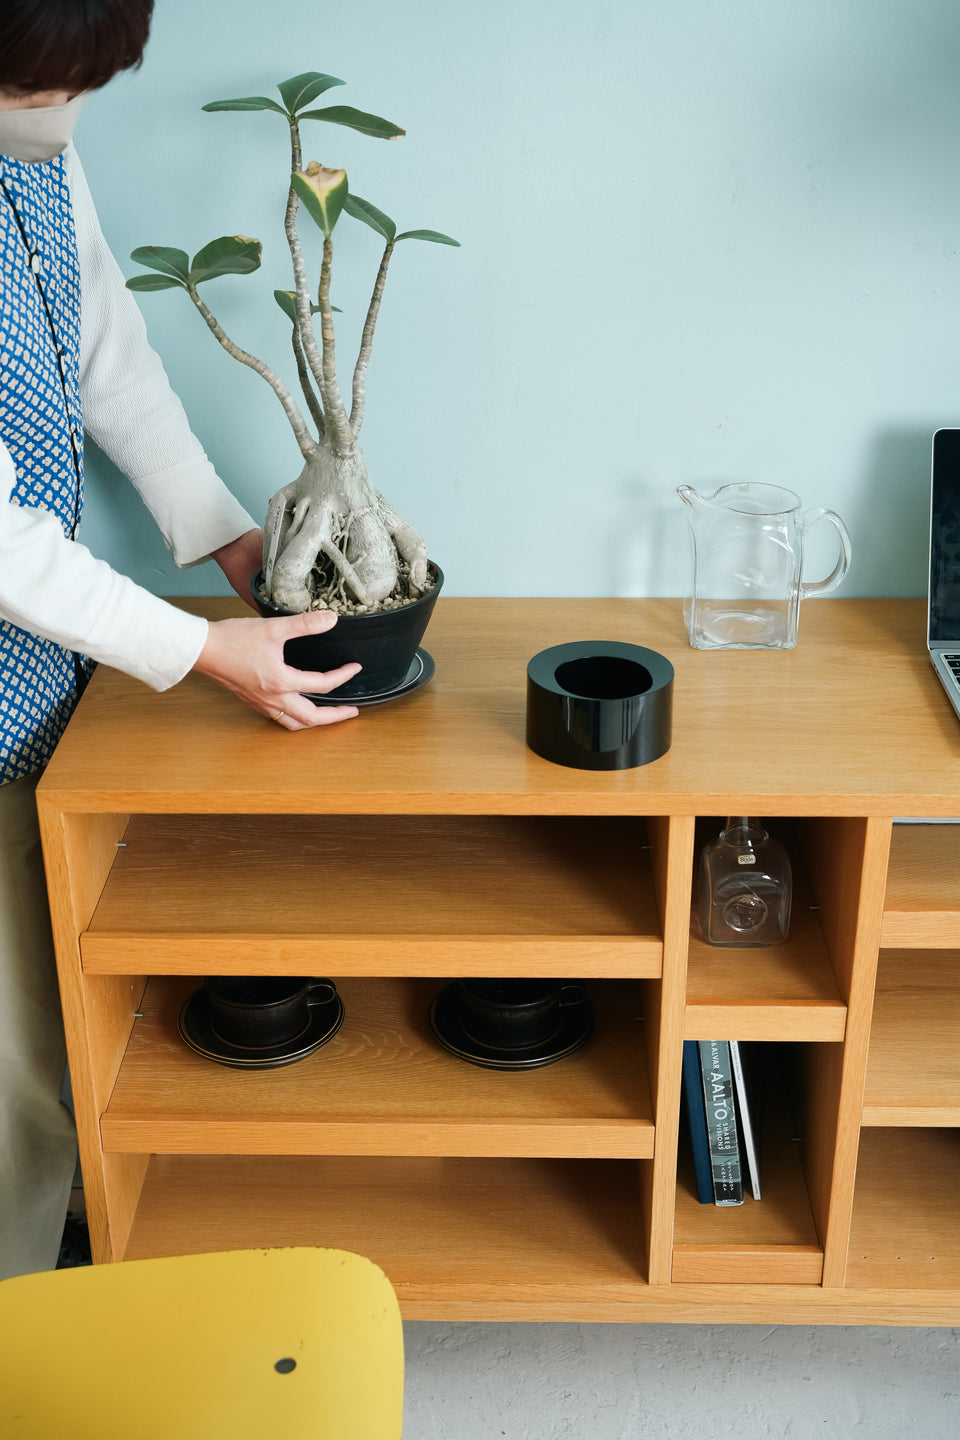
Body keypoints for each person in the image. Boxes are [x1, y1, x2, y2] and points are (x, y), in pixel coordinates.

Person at [0, 0, 362, 1280]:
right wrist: (209, 655)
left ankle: (79, 1247)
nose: (66, 112)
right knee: (17, 1072)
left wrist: (227, 544)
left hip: (41, 673)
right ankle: (29, 1334)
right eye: (45, 84)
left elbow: (108, 352)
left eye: (83, 83)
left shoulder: (34, 153)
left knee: (66, 1026)